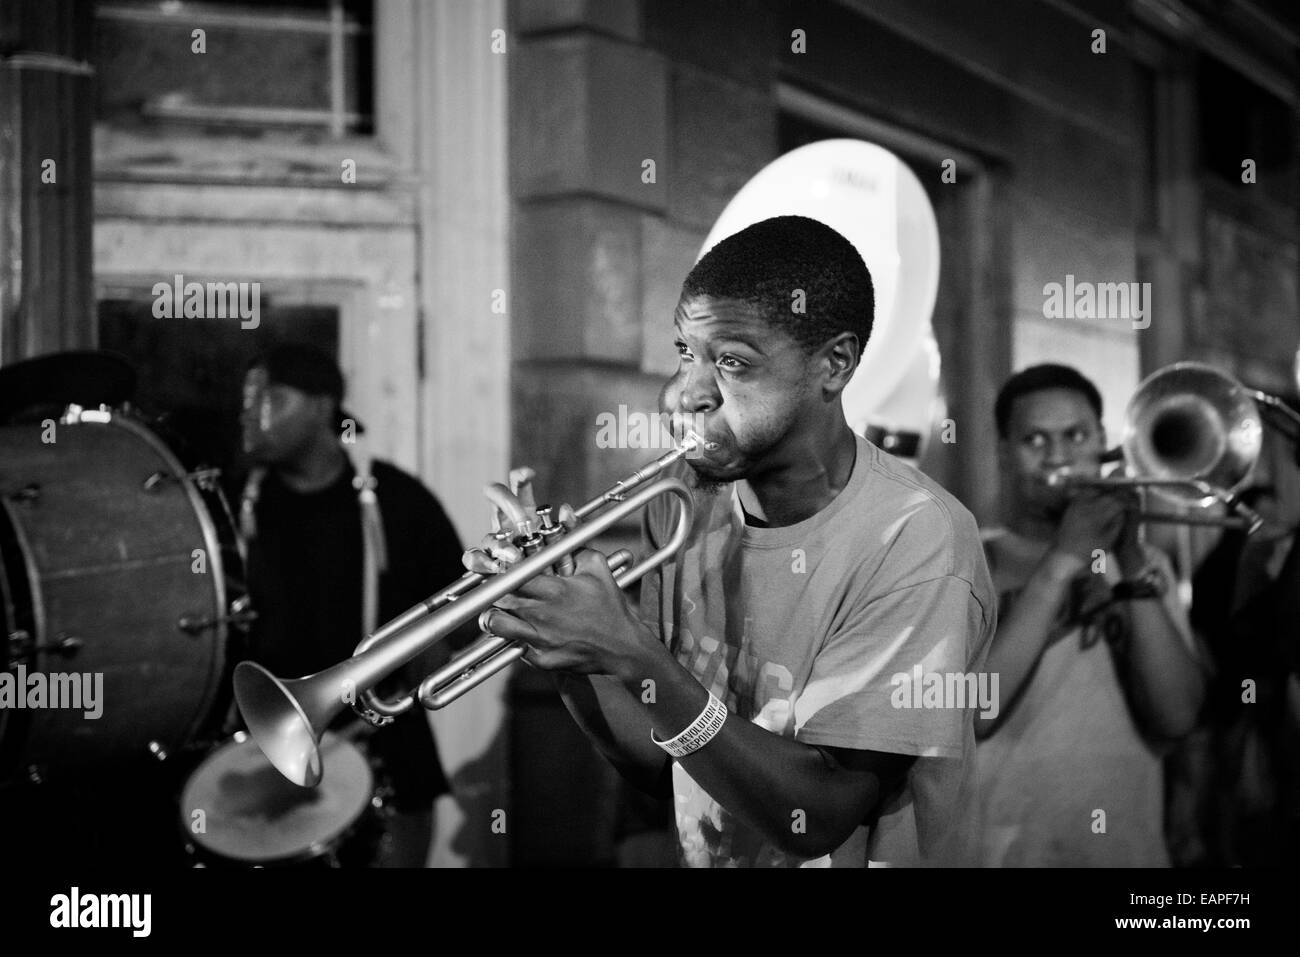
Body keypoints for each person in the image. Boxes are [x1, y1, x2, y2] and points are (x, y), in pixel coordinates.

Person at [467, 215, 996, 867]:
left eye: (733, 362)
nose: (686, 392)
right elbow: (656, 756)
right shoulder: (685, 501)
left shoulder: (916, 536)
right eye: (685, 353)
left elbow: (817, 814)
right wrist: (563, 640)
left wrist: (629, 648)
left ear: (834, 364)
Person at [237, 343, 466, 867]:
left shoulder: (397, 500)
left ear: (322, 407)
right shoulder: (233, 505)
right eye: (245, 399)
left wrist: (435, 654)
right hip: (262, 757)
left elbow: (464, 615)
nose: (249, 412)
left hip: (387, 753)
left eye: (270, 396)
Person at [974, 363, 1205, 866]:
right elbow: (972, 714)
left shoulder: (1145, 566)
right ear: (1003, 452)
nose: (1057, 456)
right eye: (1034, 439)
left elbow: (1179, 716)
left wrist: (1131, 557)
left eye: (1075, 435)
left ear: (1103, 441)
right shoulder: (966, 562)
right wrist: (1065, 560)